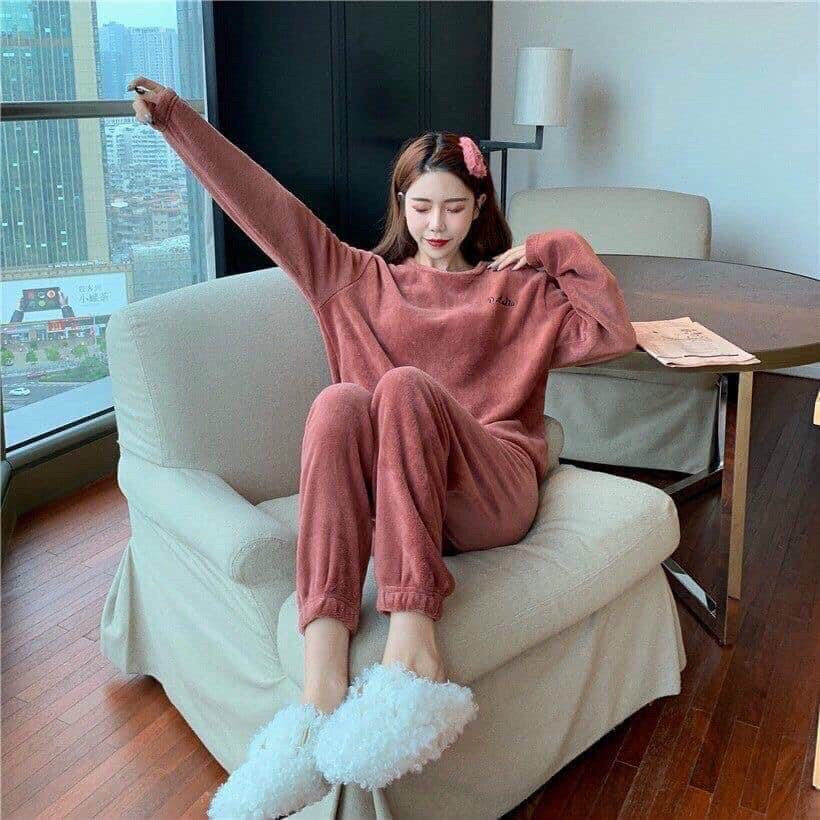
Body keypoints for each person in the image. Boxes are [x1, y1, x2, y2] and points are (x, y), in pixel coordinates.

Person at [128, 76, 638, 819]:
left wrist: (551, 246)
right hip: (401, 505)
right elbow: (264, 206)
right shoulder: (354, 280)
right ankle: (317, 701)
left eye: (455, 207)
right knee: (339, 404)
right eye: (421, 206)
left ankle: (413, 655)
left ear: (480, 207)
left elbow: (614, 332)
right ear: (401, 204)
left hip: (491, 489)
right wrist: (176, 120)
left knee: (401, 388)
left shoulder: (519, 291)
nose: (437, 224)